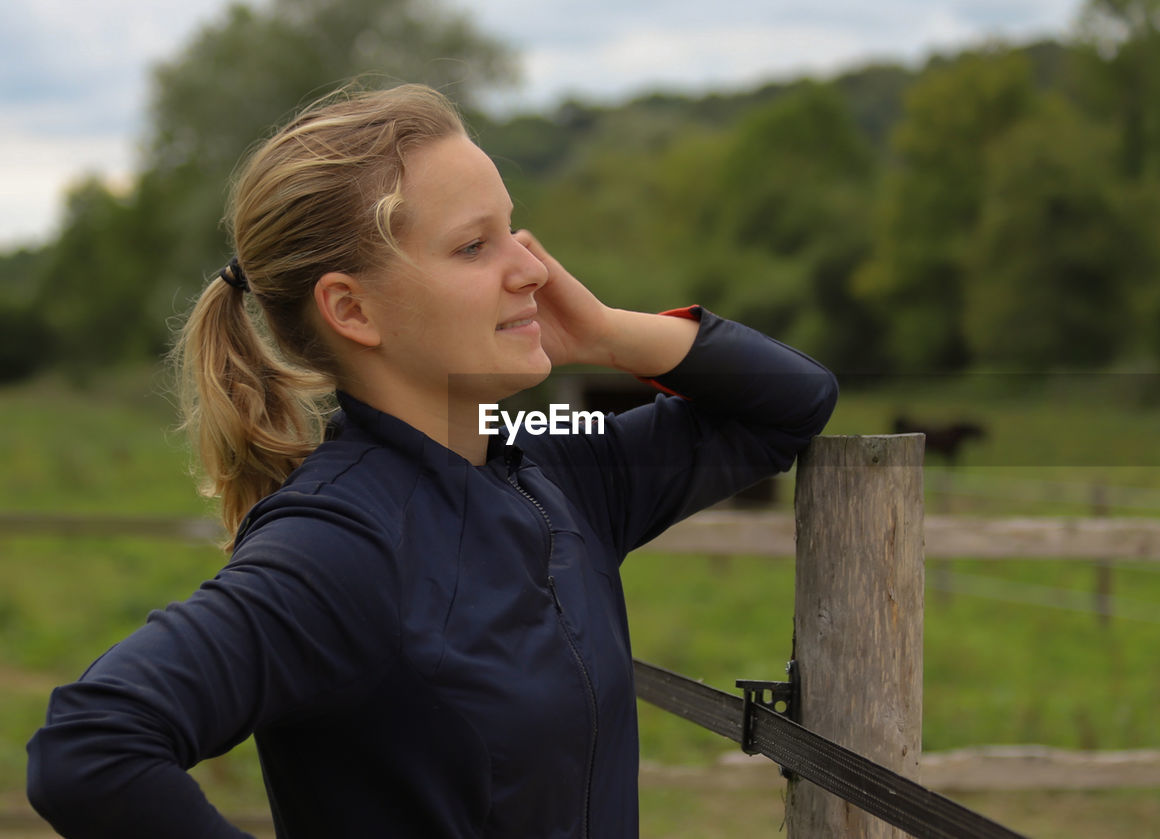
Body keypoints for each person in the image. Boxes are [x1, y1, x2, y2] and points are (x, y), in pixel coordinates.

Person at [26, 83, 838, 838]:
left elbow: (788, 407)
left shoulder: (554, 468)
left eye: (513, 230)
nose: (532, 269)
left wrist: (604, 333)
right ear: (352, 308)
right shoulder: (339, 542)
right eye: (474, 246)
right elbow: (88, 747)